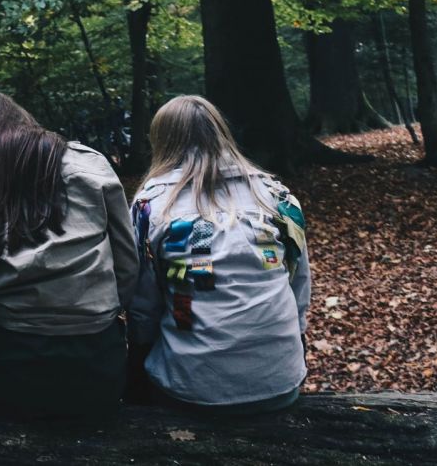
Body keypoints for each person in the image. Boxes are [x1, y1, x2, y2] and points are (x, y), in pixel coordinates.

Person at [0, 90, 138, 420]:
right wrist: (102, 314)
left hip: (11, 364)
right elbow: (127, 263)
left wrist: (1, 326)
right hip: (98, 363)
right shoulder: (90, 163)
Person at [126, 95, 311, 415]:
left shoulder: (150, 205)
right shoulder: (276, 196)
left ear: (162, 141)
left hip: (190, 390)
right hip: (280, 381)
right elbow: (298, 285)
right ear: (220, 132)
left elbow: (144, 307)